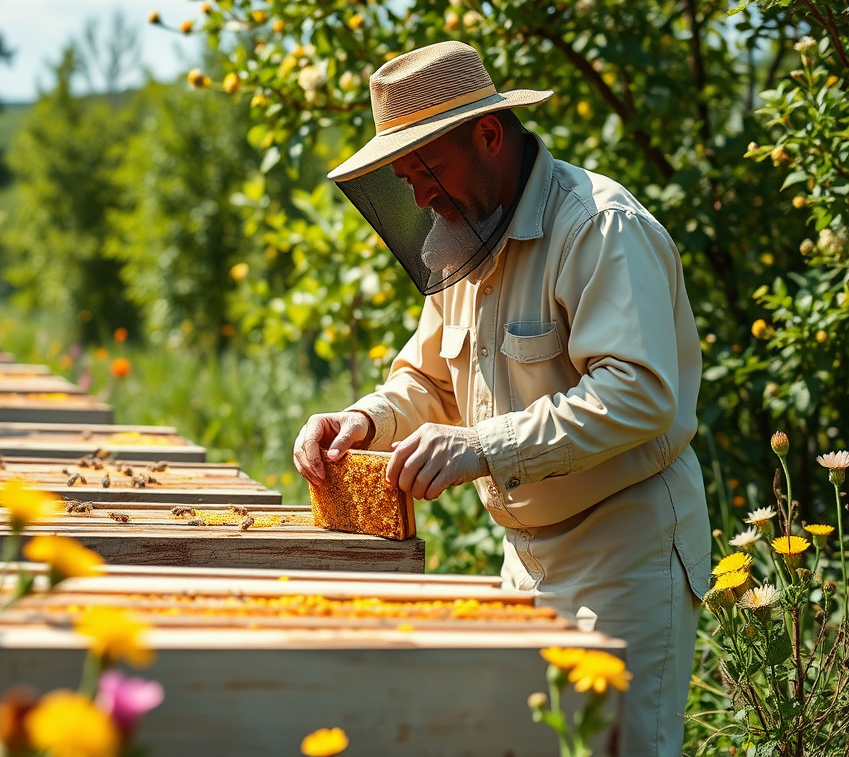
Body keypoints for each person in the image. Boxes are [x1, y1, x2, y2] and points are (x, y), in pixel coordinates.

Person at [292, 40, 711, 757]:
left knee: (620, 748)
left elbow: (641, 393)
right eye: (405, 177)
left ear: (489, 135)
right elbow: (426, 381)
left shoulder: (600, 226)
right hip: (524, 558)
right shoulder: (462, 238)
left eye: (429, 170)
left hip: (625, 549)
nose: (419, 196)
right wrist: (365, 420)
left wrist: (486, 447)